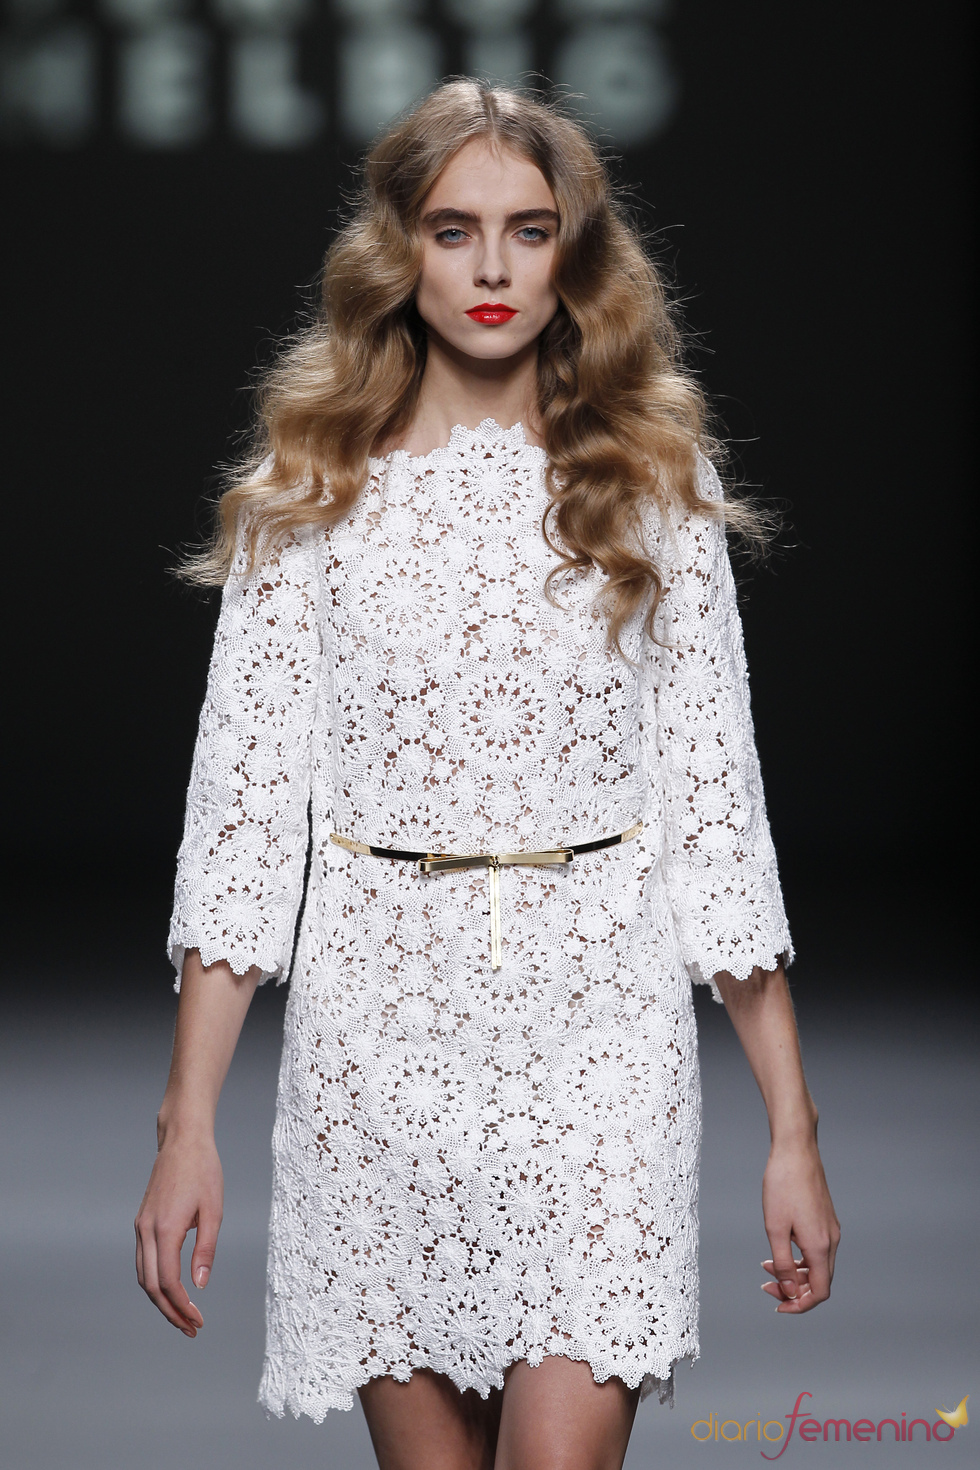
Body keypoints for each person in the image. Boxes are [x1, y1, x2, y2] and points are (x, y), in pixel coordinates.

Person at [135, 80, 840, 1470]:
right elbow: (242, 826)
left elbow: (718, 814)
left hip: (602, 1034)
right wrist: (187, 1123)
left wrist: (792, 1131)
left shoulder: (653, 481)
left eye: (531, 228)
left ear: (575, 251)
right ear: (400, 248)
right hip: (376, 1043)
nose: (495, 267)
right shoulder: (310, 486)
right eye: (455, 230)